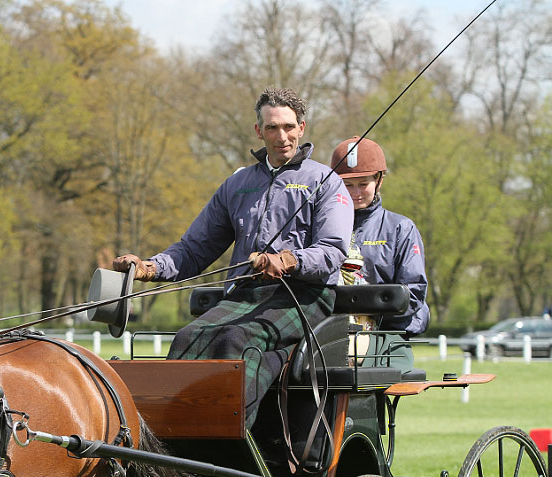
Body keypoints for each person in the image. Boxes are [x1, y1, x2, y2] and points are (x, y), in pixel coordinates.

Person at [112, 87, 353, 428]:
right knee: (186, 337)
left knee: (235, 339)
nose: (281, 136)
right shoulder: (238, 184)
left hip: (305, 297)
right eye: (272, 128)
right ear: (259, 131)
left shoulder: (325, 182)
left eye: (288, 127)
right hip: (244, 295)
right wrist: (150, 268)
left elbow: (332, 251)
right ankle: (166, 437)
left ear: (301, 127)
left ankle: (225, 443)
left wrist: (286, 260)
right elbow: (195, 248)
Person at [330, 136, 430, 370]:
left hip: (387, 334)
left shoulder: (401, 229)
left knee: (376, 375)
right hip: (332, 333)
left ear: (379, 180)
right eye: (347, 185)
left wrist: (368, 311)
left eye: (363, 184)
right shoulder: (322, 227)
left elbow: (413, 293)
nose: (355, 193)